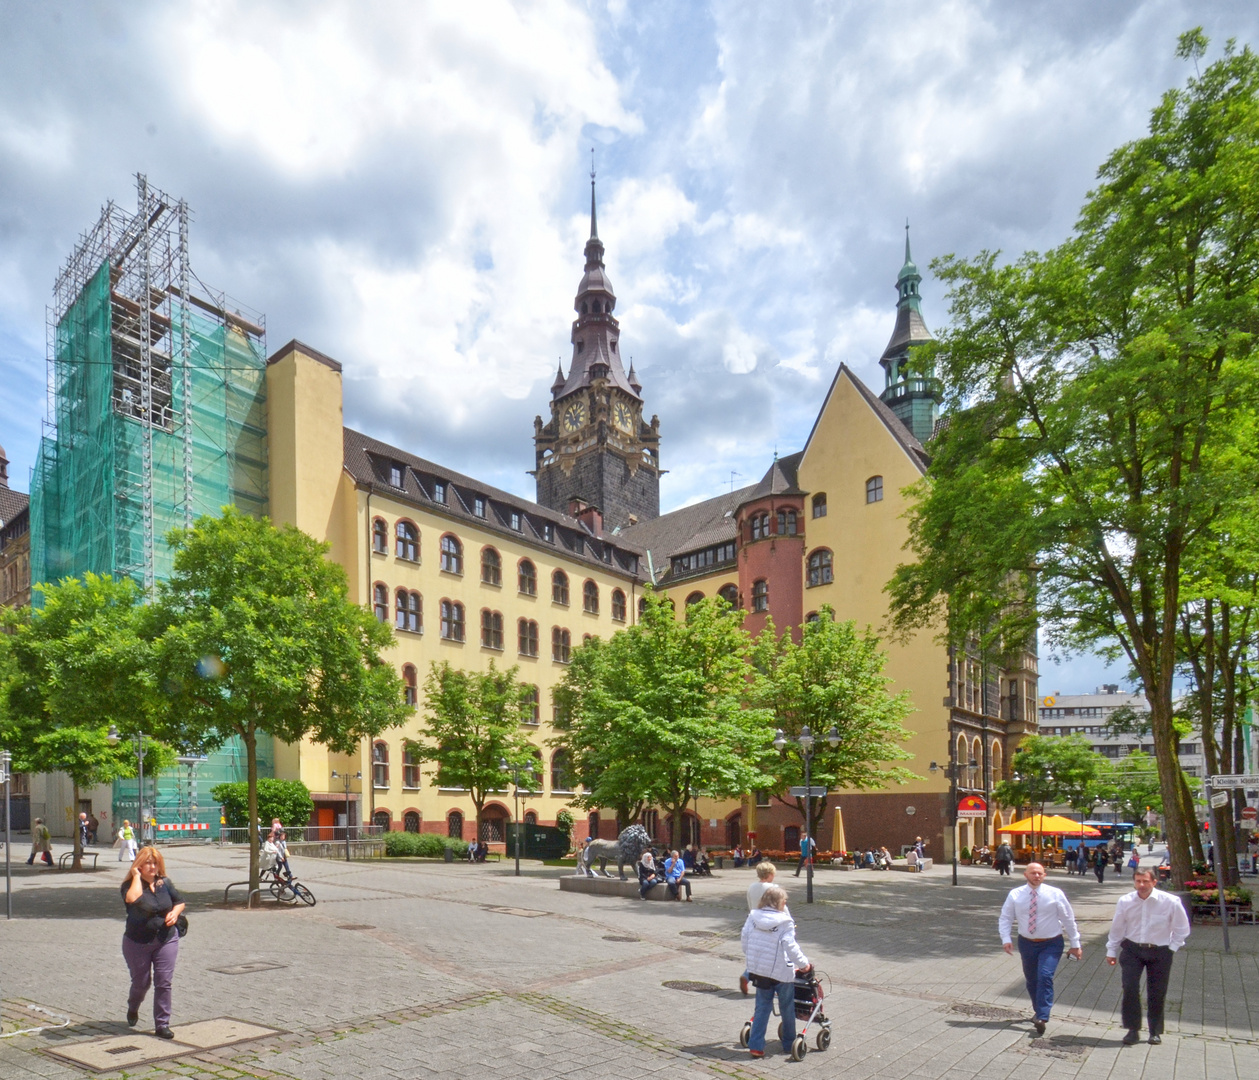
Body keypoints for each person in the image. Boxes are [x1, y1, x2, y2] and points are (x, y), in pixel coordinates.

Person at [1106, 866, 1191, 1045]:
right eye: (1138, 881)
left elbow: (1182, 929)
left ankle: (1154, 1031)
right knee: (1129, 988)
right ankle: (1132, 1029)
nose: (1141, 885)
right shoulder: (1125, 901)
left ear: (1154, 881)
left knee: (1157, 991)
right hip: (1132, 950)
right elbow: (1117, 928)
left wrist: (1172, 948)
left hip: (1160, 951)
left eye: (1145, 881)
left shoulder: (1170, 901)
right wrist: (1111, 950)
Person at [999, 862, 1083, 1036]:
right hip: (1027, 942)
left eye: (1040, 873)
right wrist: (1006, 939)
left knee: (1045, 975)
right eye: (1033, 873)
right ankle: (1038, 1011)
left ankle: (1043, 1017)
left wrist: (1075, 944)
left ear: (1044, 875)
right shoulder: (1015, 894)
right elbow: (1006, 917)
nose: (1036, 876)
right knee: (1031, 979)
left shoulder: (1055, 894)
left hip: (1051, 943)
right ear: (1025, 875)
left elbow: (1068, 919)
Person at [121, 846, 185, 1039]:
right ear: (139, 865)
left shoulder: (164, 883)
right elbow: (133, 899)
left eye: (155, 863)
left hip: (166, 938)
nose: (152, 867)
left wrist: (175, 913)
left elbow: (180, 901)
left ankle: (162, 1024)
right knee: (141, 983)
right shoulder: (129, 885)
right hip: (137, 941)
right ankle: (133, 1007)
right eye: (147, 863)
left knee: (164, 982)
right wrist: (136, 876)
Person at [740, 885, 811, 1059]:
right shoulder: (784, 922)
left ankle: (756, 1046)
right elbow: (791, 947)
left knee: (762, 1008)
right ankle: (788, 1043)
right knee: (787, 1007)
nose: (785, 903)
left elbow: (744, 938)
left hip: (759, 970)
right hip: (781, 972)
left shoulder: (753, 916)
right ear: (778, 902)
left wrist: (752, 957)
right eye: (784, 900)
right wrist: (804, 965)